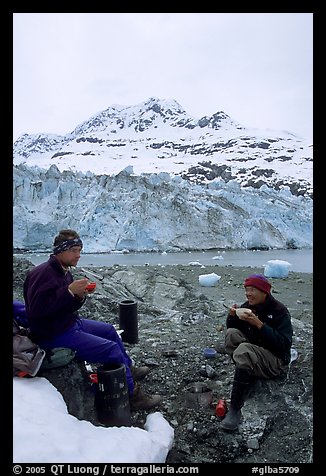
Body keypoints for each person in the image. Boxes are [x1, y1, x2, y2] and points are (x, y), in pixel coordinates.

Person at [23, 229, 162, 411]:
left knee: (109, 331)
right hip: (53, 334)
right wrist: (69, 292)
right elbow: (36, 312)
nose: (78, 255)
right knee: (111, 350)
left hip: (68, 323)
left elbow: (66, 306)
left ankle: (128, 369)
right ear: (60, 250)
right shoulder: (43, 274)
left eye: (80, 250)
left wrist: (79, 296)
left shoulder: (65, 272)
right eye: (74, 250)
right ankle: (132, 397)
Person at [220, 273, 293, 431]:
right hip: (256, 354)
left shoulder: (280, 311)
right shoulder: (249, 305)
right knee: (231, 334)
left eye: (252, 290)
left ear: (264, 292)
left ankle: (235, 409)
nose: (248, 293)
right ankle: (246, 372)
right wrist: (232, 316)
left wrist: (260, 325)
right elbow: (236, 329)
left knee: (244, 350)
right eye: (246, 289)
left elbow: (284, 345)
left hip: (274, 360)